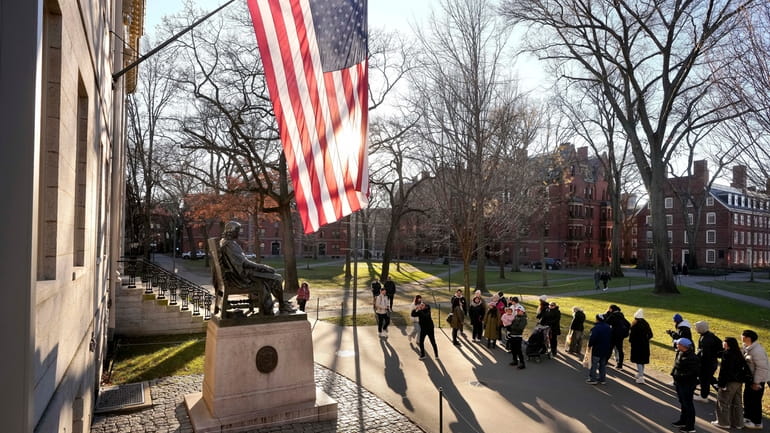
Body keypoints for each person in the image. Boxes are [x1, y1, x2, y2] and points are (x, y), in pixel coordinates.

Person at [219, 221, 294, 314]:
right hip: (241, 277)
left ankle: (275, 306)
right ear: (231, 231)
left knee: (271, 276)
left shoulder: (226, 242)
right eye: (237, 230)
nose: (239, 233)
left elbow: (242, 261)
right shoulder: (230, 244)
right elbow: (245, 263)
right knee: (277, 278)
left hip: (238, 274)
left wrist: (261, 268)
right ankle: (281, 306)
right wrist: (263, 267)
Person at [712, 337, 746, 429]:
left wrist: (721, 384)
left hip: (729, 381)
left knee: (723, 401)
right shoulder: (738, 353)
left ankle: (723, 422)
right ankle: (738, 423)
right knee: (737, 402)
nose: (723, 343)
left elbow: (724, 371)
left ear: (728, 344)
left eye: (724, 342)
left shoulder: (727, 354)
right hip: (738, 381)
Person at [741, 329, 769, 430]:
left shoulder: (757, 351)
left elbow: (762, 368)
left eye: (742, 336)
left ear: (748, 338)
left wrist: (756, 382)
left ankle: (757, 423)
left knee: (755, 401)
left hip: (758, 380)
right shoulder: (747, 347)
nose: (741, 337)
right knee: (747, 398)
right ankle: (747, 417)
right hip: (751, 379)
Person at [671, 338, 699, 433]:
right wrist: (673, 374)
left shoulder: (692, 357)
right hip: (680, 383)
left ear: (684, 346)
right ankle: (683, 420)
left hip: (687, 384)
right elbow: (676, 365)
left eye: (678, 344)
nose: (676, 346)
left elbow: (692, 372)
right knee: (683, 402)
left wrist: (679, 376)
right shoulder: (680, 352)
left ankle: (690, 426)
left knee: (688, 404)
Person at [694, 320, 722, 402]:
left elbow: (705, 354)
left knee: (704, 380)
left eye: (696, 327)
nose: (695, 329)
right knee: (709, 378)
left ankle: (703, 396)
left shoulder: (705, 339)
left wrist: (699, 362)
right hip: (713, 362)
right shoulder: (711, 335)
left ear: (700, 329)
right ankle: (720, 389)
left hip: (707, 364)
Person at [629, 308, 653, 384]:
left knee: (638, 360)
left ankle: (641, 376)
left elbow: (631, 336)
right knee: (642, 360)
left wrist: (631, 341)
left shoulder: (635, 325)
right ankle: (640, 373)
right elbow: (651, 335)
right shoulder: (646, 323)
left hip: (637, 345)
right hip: (645, 345)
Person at [586, 313, 612, 385]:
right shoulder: (608, 327)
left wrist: (590, 345)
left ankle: (593, 378)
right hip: (606, 348)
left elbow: (593, 338)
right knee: (602, 364)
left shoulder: (596, 328)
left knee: (594, 364)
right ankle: (602, 379)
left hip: (597, 348)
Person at [605, 304, 630, 369]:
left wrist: (608, 314)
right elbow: (628, 324)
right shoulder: (621, 315)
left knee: (610, 348)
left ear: (611, 309)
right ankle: (620, 365)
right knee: (620, 350)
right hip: (620, 336)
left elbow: (607, 321)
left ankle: (605, 362)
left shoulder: (613, 315)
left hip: (614, 334)